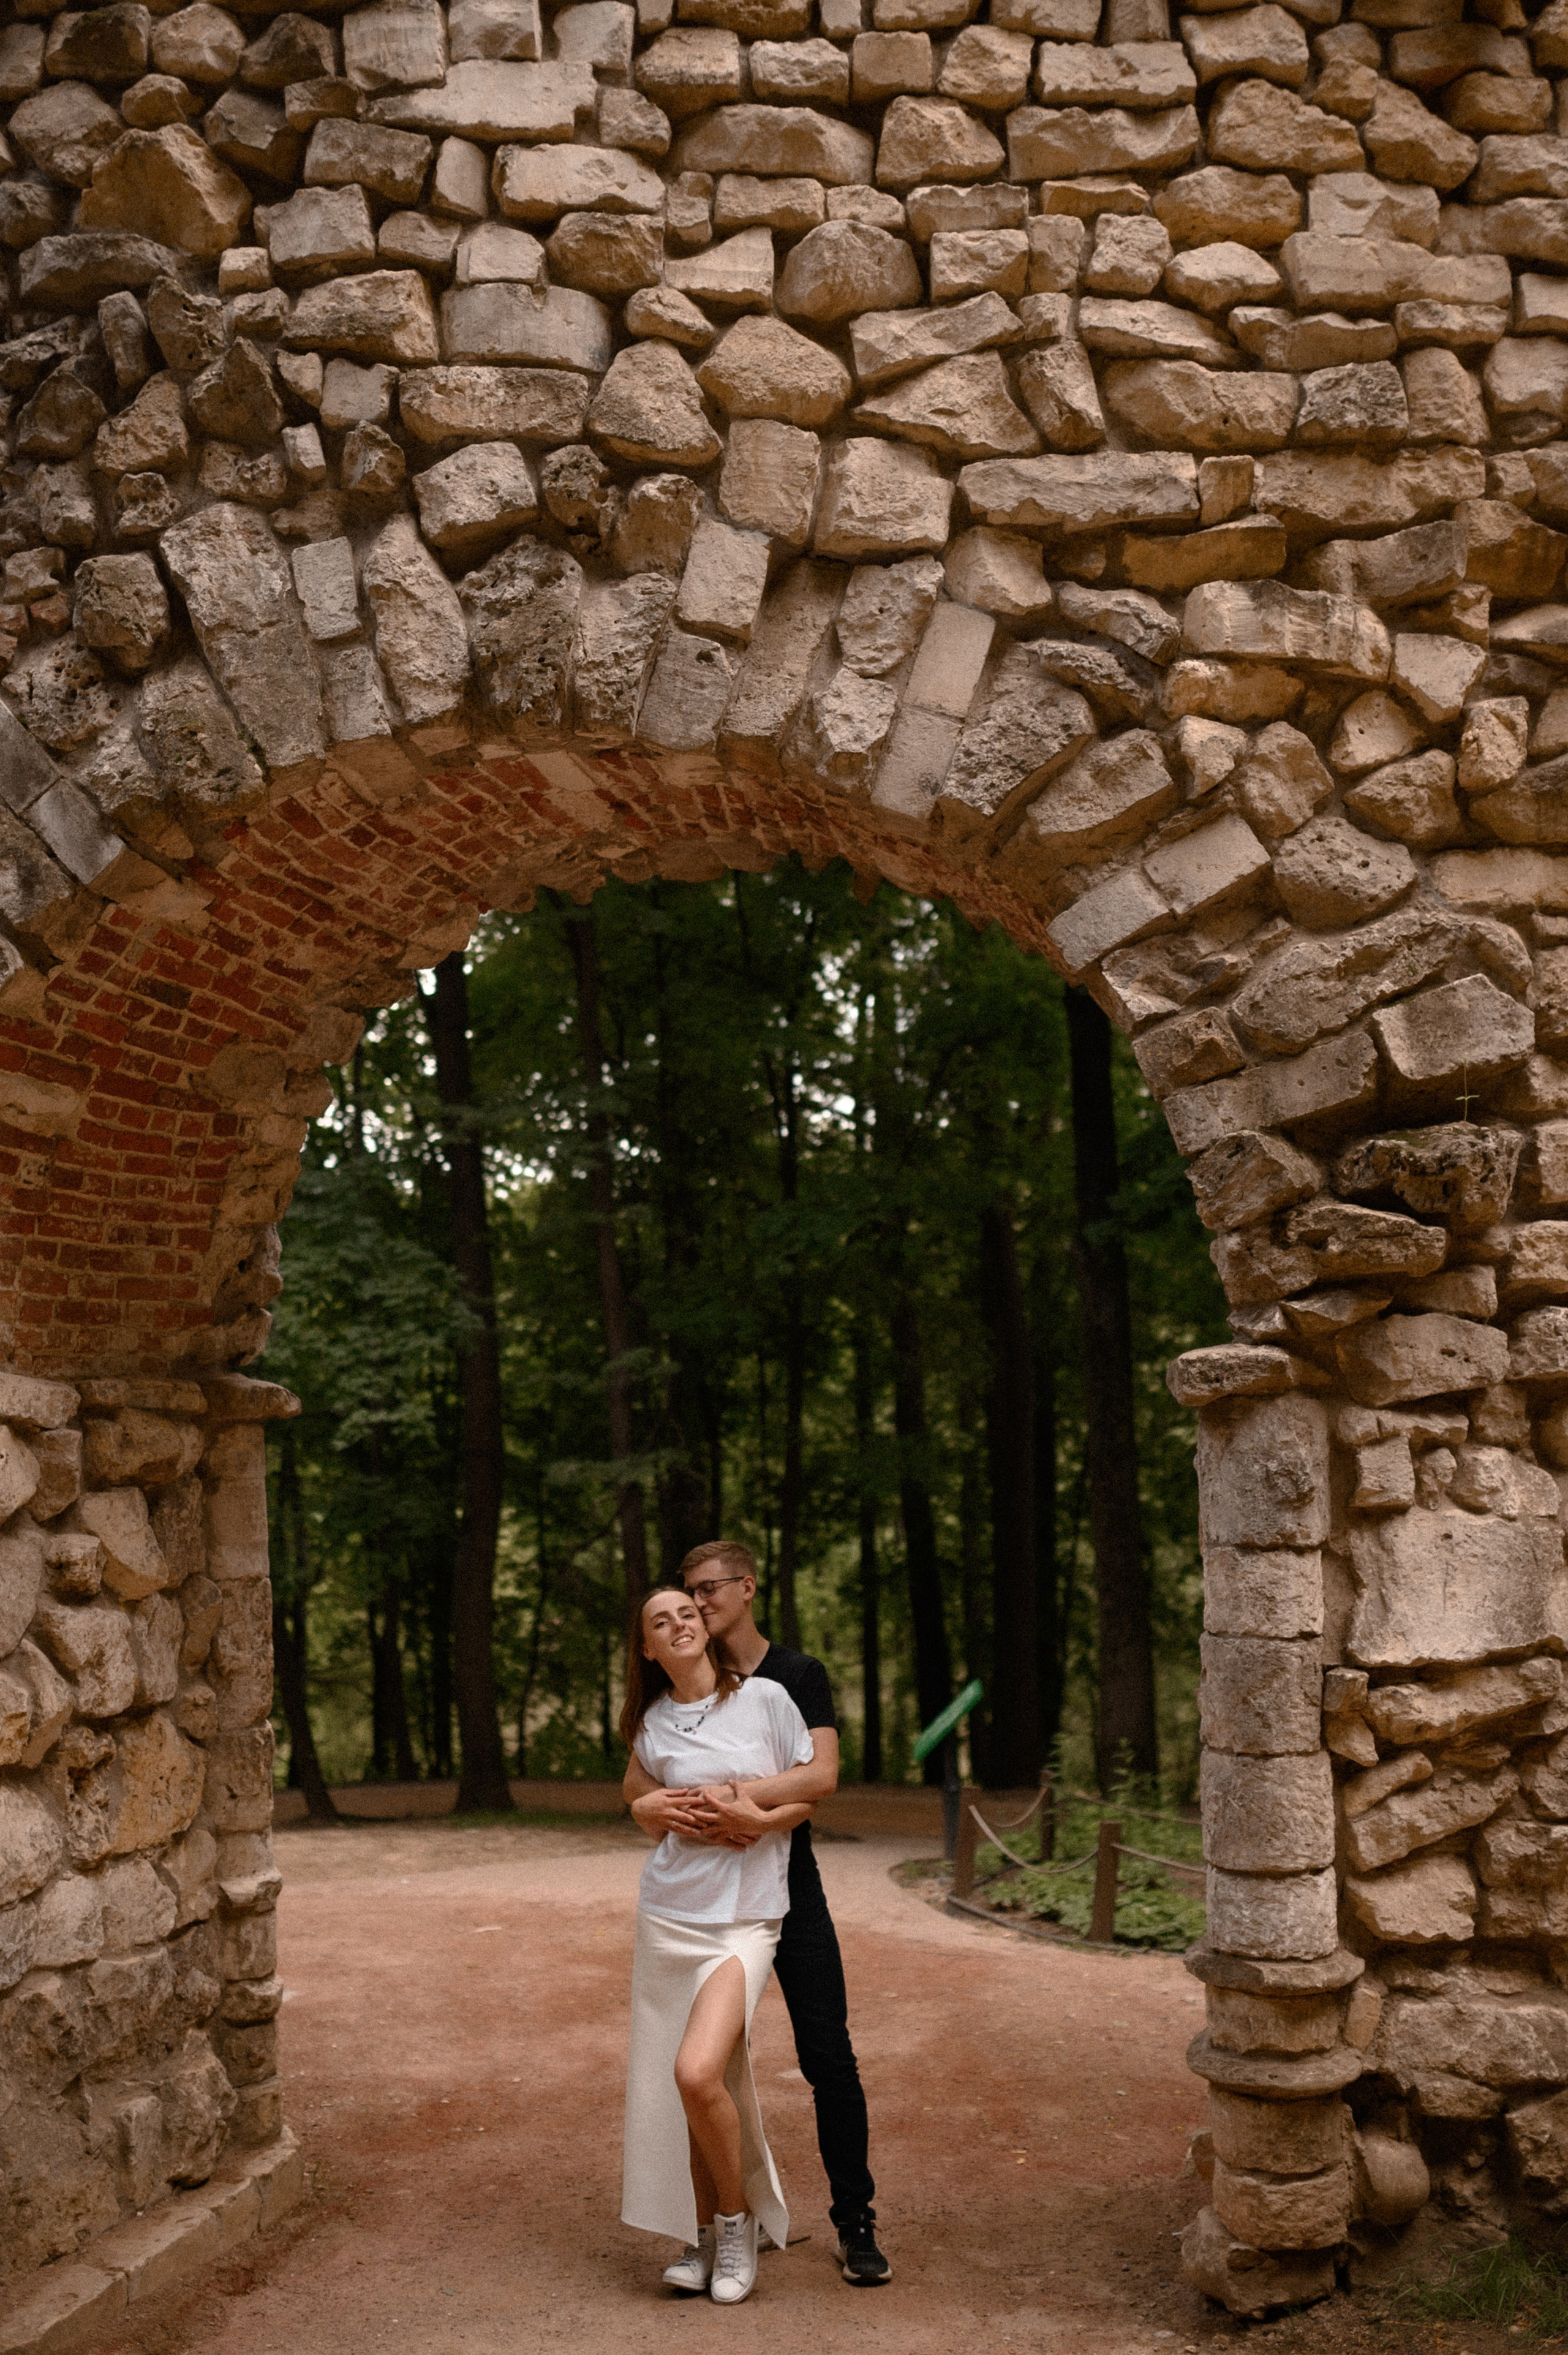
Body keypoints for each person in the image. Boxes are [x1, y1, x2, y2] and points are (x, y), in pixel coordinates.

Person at [677, 1539, 892, 2289]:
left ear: (747, 1587)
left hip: (793, 1894)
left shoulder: (797, 1675)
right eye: (689, 1593)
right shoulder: (690, 1681)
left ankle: (855, 2226)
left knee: (828, 2057)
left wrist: (752, 1810)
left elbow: (824, 1773)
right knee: (707, 2067)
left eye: (710, 1590)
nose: (699, 1604)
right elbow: (654, 1774)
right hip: (710, 1903)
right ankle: (726, 2224)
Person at [620, 1584, 819, 2306]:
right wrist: (645, 1806)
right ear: (646, 1647)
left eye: (684, 1613)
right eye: (657, 1621)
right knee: (688, 2085)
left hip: (745, 1916)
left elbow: (810, 1796)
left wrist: (759, 1820)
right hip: (669, 1913)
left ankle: (735, 2227)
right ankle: (699, 2235)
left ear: (704, 1626)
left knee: (698, 2073)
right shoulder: (650, 1724)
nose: (676, 1624)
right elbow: (640, 1804)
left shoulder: (765, 1700)